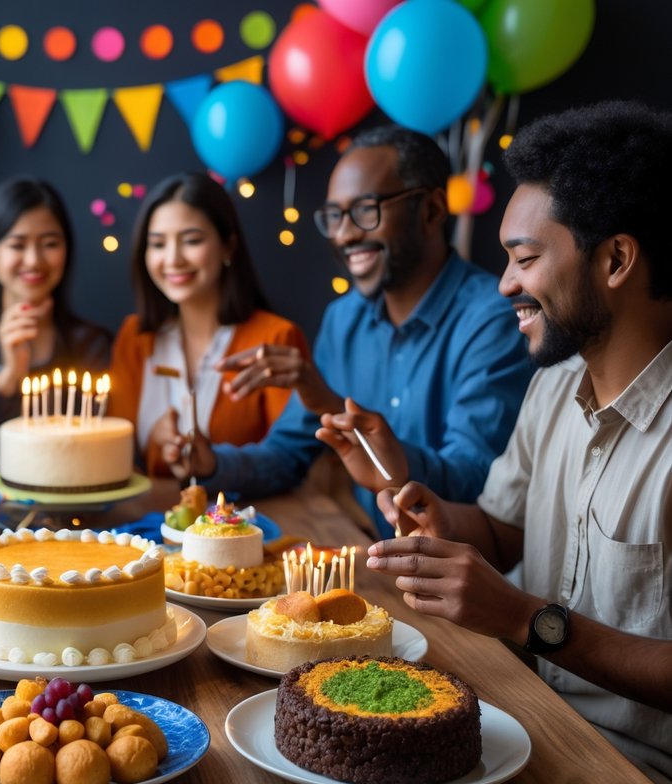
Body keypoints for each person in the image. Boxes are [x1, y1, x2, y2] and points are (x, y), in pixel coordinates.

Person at [368, 101, 672, 784]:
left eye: (524, 259)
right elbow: (503, 532)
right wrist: (442, 525)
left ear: (615, 259)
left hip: (642, 779)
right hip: (528, 717)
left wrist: (523, 618)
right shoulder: (551, 389)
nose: (504, 284)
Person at [160, 126, 532, 536]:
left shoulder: (493, 319)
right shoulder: (344, 319)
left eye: (366, 210)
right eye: (335, 216)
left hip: (463, 571)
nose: (345, 234)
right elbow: (287, 456)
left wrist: (363, 432)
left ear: (431, 210)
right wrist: (211, 464)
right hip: (374, 555)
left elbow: (477, 481)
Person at [106, 172, 309, 476]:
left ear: (228, 247)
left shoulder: (275, 337)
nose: (172, 259)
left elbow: (290, 460)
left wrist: (213, 461)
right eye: (158, 244)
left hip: (247, 518)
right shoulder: (135, 336)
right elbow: (114, 448)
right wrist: (156, 440)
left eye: (192, 240)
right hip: (148, 517)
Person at [0, 178, 110, 463]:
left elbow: (101, 450)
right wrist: (8, 379)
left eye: (50, 244)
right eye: (17, 245)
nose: (33, 260)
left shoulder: (92, 344)